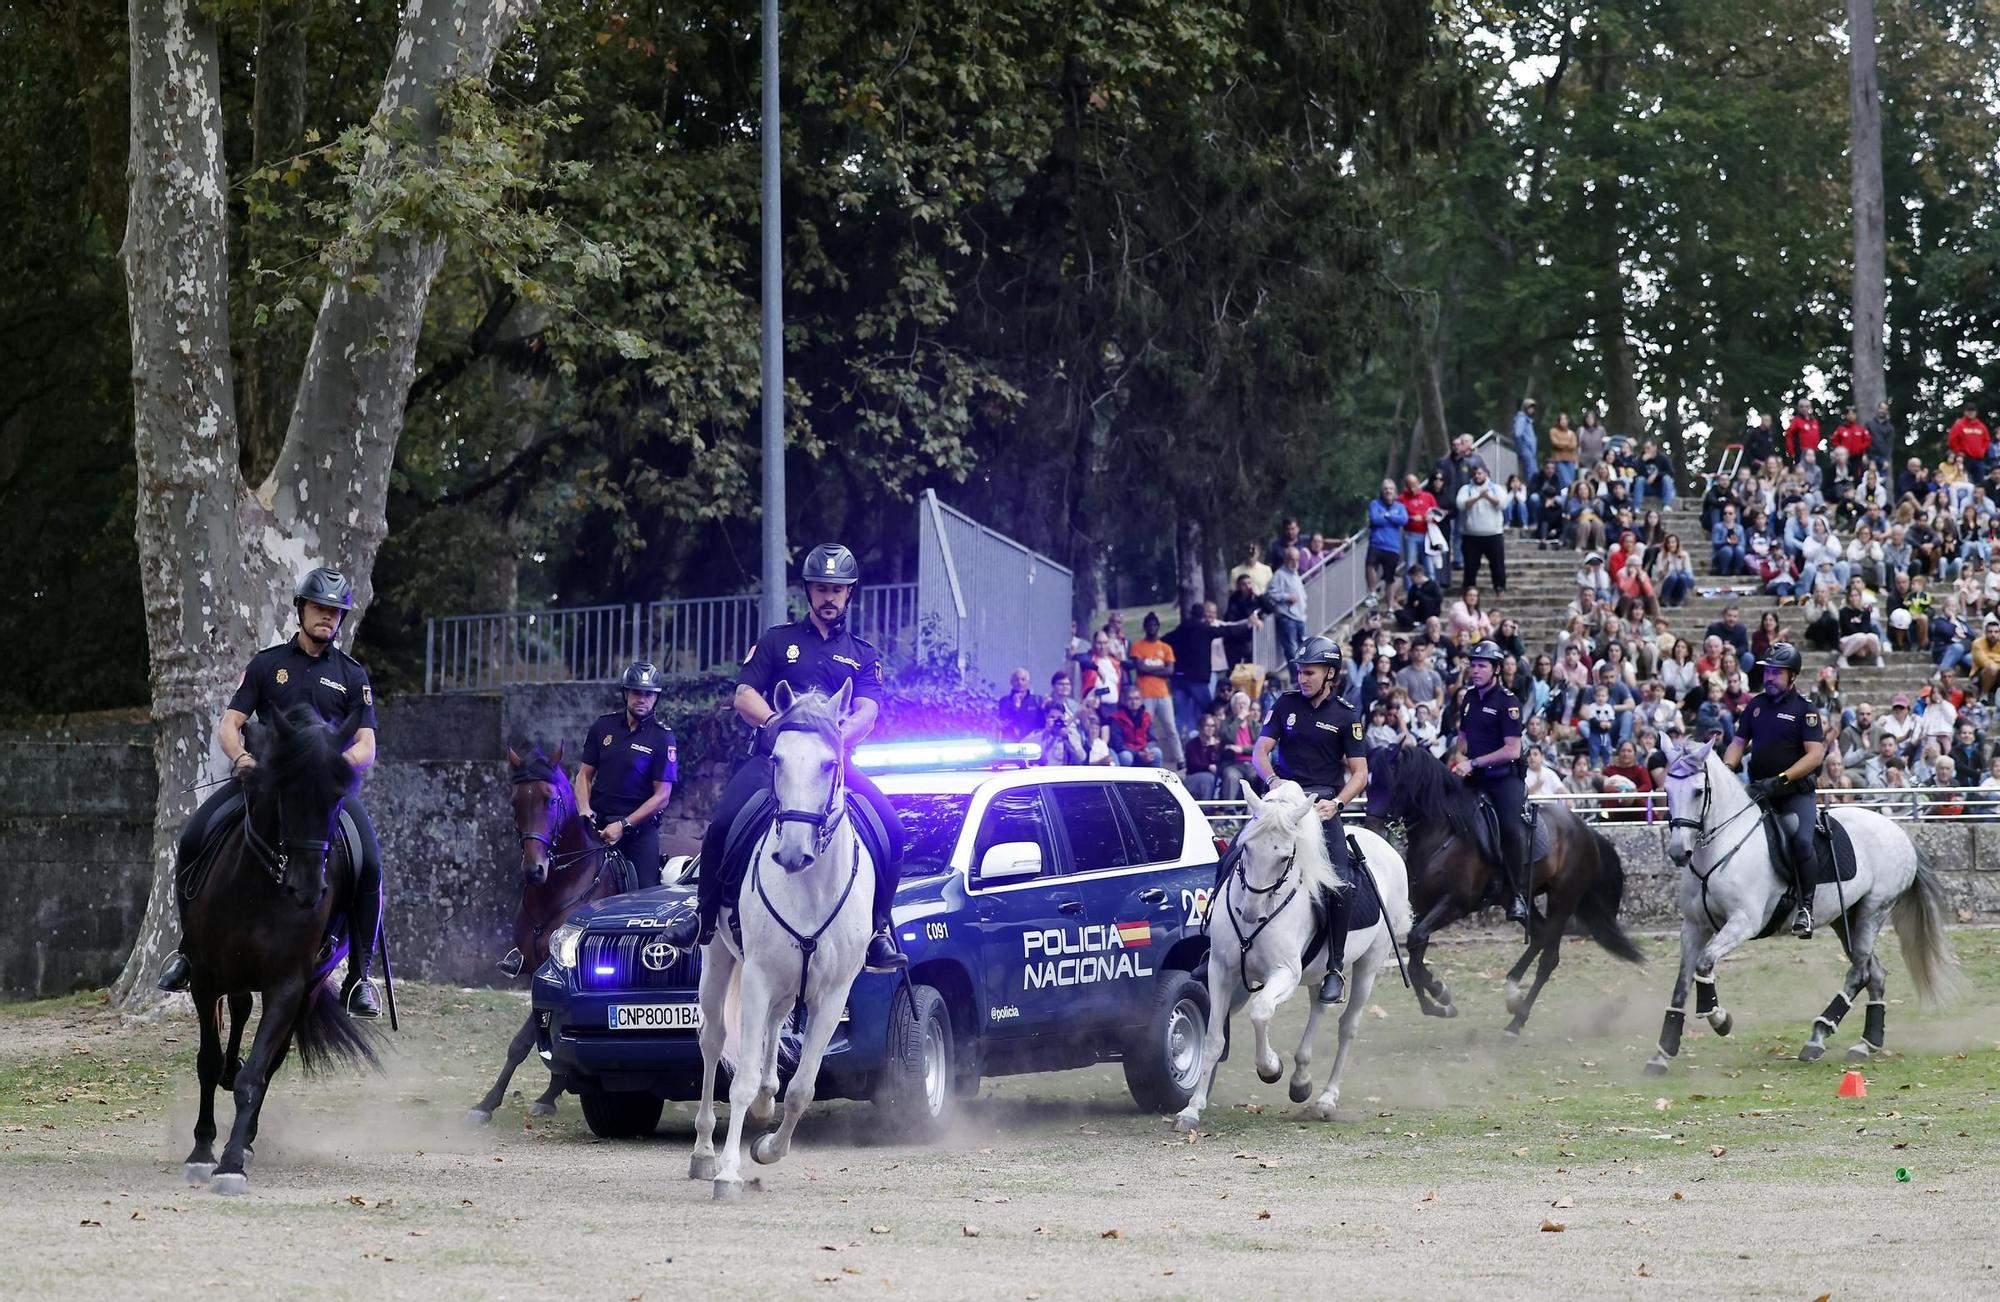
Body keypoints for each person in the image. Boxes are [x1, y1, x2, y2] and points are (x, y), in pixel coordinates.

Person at [155, 566, 386, 1017]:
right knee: (193, 838)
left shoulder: (353, 675)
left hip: (320, 792)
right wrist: (241, 759)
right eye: (320, 608)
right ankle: (187, 950)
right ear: (301, 610)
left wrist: (333, 767)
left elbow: (367, 745)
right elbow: (230, 725)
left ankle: (359, 976)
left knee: (370, 861)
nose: (327, 618)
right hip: (263, 783)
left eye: (335, 612)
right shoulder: (266, 664)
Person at [664, 544, 906, 971]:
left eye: (837, 589)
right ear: (807, 592)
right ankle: (702, 916)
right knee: (722, 822)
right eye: (820, 589)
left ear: (849, 594)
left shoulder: (864, 654)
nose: (828, 597)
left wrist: (834, 739)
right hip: (771, 761)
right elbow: (743, 695)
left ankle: (878, 929)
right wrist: (778, 725)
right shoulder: (778, 641)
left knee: (892, 829)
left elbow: (868, 711)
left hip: (833, 767)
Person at [1248, 636, 1369, 1003]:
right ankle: (1216, 943)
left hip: (1320, 805)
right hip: (1282, 798)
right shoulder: (1284, 704)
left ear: (1330, 674)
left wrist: (1337, 804)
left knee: (1340, 882)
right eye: (1300, 671)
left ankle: (1333, 967)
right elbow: (1260, 751)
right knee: (1239, 854)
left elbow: (1360, 774)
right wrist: (1271, 781)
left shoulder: (1347, 715)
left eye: (1310, 672)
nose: (1303, 678)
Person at [1724, 643, 1824, 938]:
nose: (1769, 677)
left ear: (1792, 676)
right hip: (1759, 791)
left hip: (1794, 793)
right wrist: (1727, 770)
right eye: (1766, 671)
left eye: (1776, 673)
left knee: (1803, 842)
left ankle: (1806, 908)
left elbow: (1815, 755)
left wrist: (1782, 779)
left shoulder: (1805, 710)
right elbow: (1738, 743)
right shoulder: (1755, 706)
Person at [576, 662, 679, 889]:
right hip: (597, 826)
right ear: (625, 693)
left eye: (648, 694)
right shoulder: (603, 727)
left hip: (638, 832)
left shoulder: (663, 738)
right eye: (636, 692)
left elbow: (662, 796)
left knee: (645, 893)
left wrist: (623, 825)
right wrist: (584, 809)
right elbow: (584, 774)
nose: (642, 699)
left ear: (656, 698)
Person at [1451, 639, 1532, 926]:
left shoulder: (1508, 702)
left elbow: (1512, 749)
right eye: (1473, 665)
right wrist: (1458, 757)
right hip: (1474, 777)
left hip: (1502, 779)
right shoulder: (1469, 698)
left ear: (1496, 670)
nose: (1475, 670)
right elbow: (1462, 740)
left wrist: (1472, 762)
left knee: (1510, 828)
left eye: (1482, 666)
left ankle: (1518, 894)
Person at [1127, 612, 1185, 769]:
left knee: (1170, 727)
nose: (1152, 628)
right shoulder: (1138, 646)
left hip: (1163, 693)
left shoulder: (1165, 648)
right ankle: (1146, 756)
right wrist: (1159, 668)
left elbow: (1170, 671)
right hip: (1144, 693)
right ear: (1145, 627)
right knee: (1145, 727)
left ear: (1158, 627)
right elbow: (1139, 667)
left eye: (1154, 625)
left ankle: (1180, 758)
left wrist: (1149, 669)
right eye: (1149, 625)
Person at [1456, 463, 1509, 595]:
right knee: (1470, 565)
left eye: (1480, 473)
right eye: (1475, 474)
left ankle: (1499, 588)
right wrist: (1478, 497)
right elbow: (1461, 505)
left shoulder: (1496, 488)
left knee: (1497, 564)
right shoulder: (1466, 489)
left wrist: (1488, 497)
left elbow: (1502, 504)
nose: (1477, 476)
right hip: (1471, 534)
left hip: (1493, 534)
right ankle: (1468, 588)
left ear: (1486, 474)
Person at [1267, 548, 1309, 677]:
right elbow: (1271, 593)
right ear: (1285, 559)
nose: (1295, 562)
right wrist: (1286, 597)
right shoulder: (1279, 574)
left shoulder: (1295, 574)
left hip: (1300, 617)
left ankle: (1304, 674)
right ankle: (1296, 677)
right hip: (1287, 617)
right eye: (1292, 559)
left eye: (1297, 559)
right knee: (1291, 649)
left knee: (1303, 649)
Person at [1366, 480, 1409, 598]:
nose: (1388, 491)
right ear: (1382, 491)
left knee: (1389, 579)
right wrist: (1393, 520)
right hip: (1376, 543)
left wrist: (1387, 515)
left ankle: (1390, 607)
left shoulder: (1400, 506)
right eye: (1385, 489)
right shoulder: (1375, 504)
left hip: (1392, 546)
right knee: (1370, 566)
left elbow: (1404, 520)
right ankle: (1373, 592)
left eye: (1391, 489)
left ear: (1395, 491)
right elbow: (1375, 519)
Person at [995, 667, 1044, 741]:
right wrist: (1015, 708)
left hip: (1032, 742)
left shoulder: (1037, 700)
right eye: (1016, 679)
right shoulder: (1005, 701)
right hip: (1011, 741)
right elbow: (1004, 721)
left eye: (1023, 679)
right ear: (1011, 682)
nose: (1020, 682)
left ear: (1028, 682)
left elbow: (1042, 723)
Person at [1513, 398, 1540, 477]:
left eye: (1533, 408)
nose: (1532, 410)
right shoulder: (1522, 419)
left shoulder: (1528, 421)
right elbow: (1518, 434)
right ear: (1525, 407)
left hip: (1531, 452)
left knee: (1534, 473)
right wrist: (1522, 448)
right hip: (1526, 450)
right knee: (1531, 473)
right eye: (1529, 407)